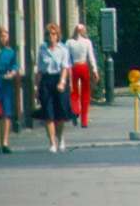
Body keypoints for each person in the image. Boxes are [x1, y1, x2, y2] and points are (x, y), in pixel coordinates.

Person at [35, 23, 73, 153]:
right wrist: (37, 87)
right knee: (48, 113)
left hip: (59, 79)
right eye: (48, 34)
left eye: (53, 34)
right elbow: (39, 70)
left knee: (60, 112)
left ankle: (60, 136)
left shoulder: (63, 49)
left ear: (58, 35)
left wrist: (62, 82)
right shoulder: (42, 49)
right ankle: (52, 142)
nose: (51, 36)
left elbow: (65, 67)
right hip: (46, 80)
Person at [66, 24, 99, 129]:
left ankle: (75, 110)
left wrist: (68, 70)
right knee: (85, 93)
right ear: (83, 31)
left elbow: (67, 58)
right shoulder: (87, 42)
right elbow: (91, 57)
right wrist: (94, 70)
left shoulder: (69, 42)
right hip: (83, 67)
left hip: (74, 67)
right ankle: (84, 121)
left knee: (74, 91)